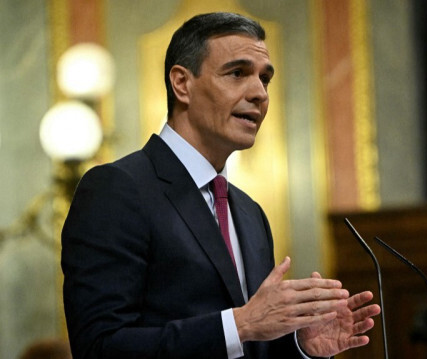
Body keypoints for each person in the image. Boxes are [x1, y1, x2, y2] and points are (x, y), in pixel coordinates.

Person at [61, 12, 380, 359]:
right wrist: (239, 324)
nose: (259, 93)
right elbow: (99, 347)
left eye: (265, 79)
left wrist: (299, 346)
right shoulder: (117, 189)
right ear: (182, 83)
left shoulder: (249, 212)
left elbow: (249, 344)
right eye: (237, 73)